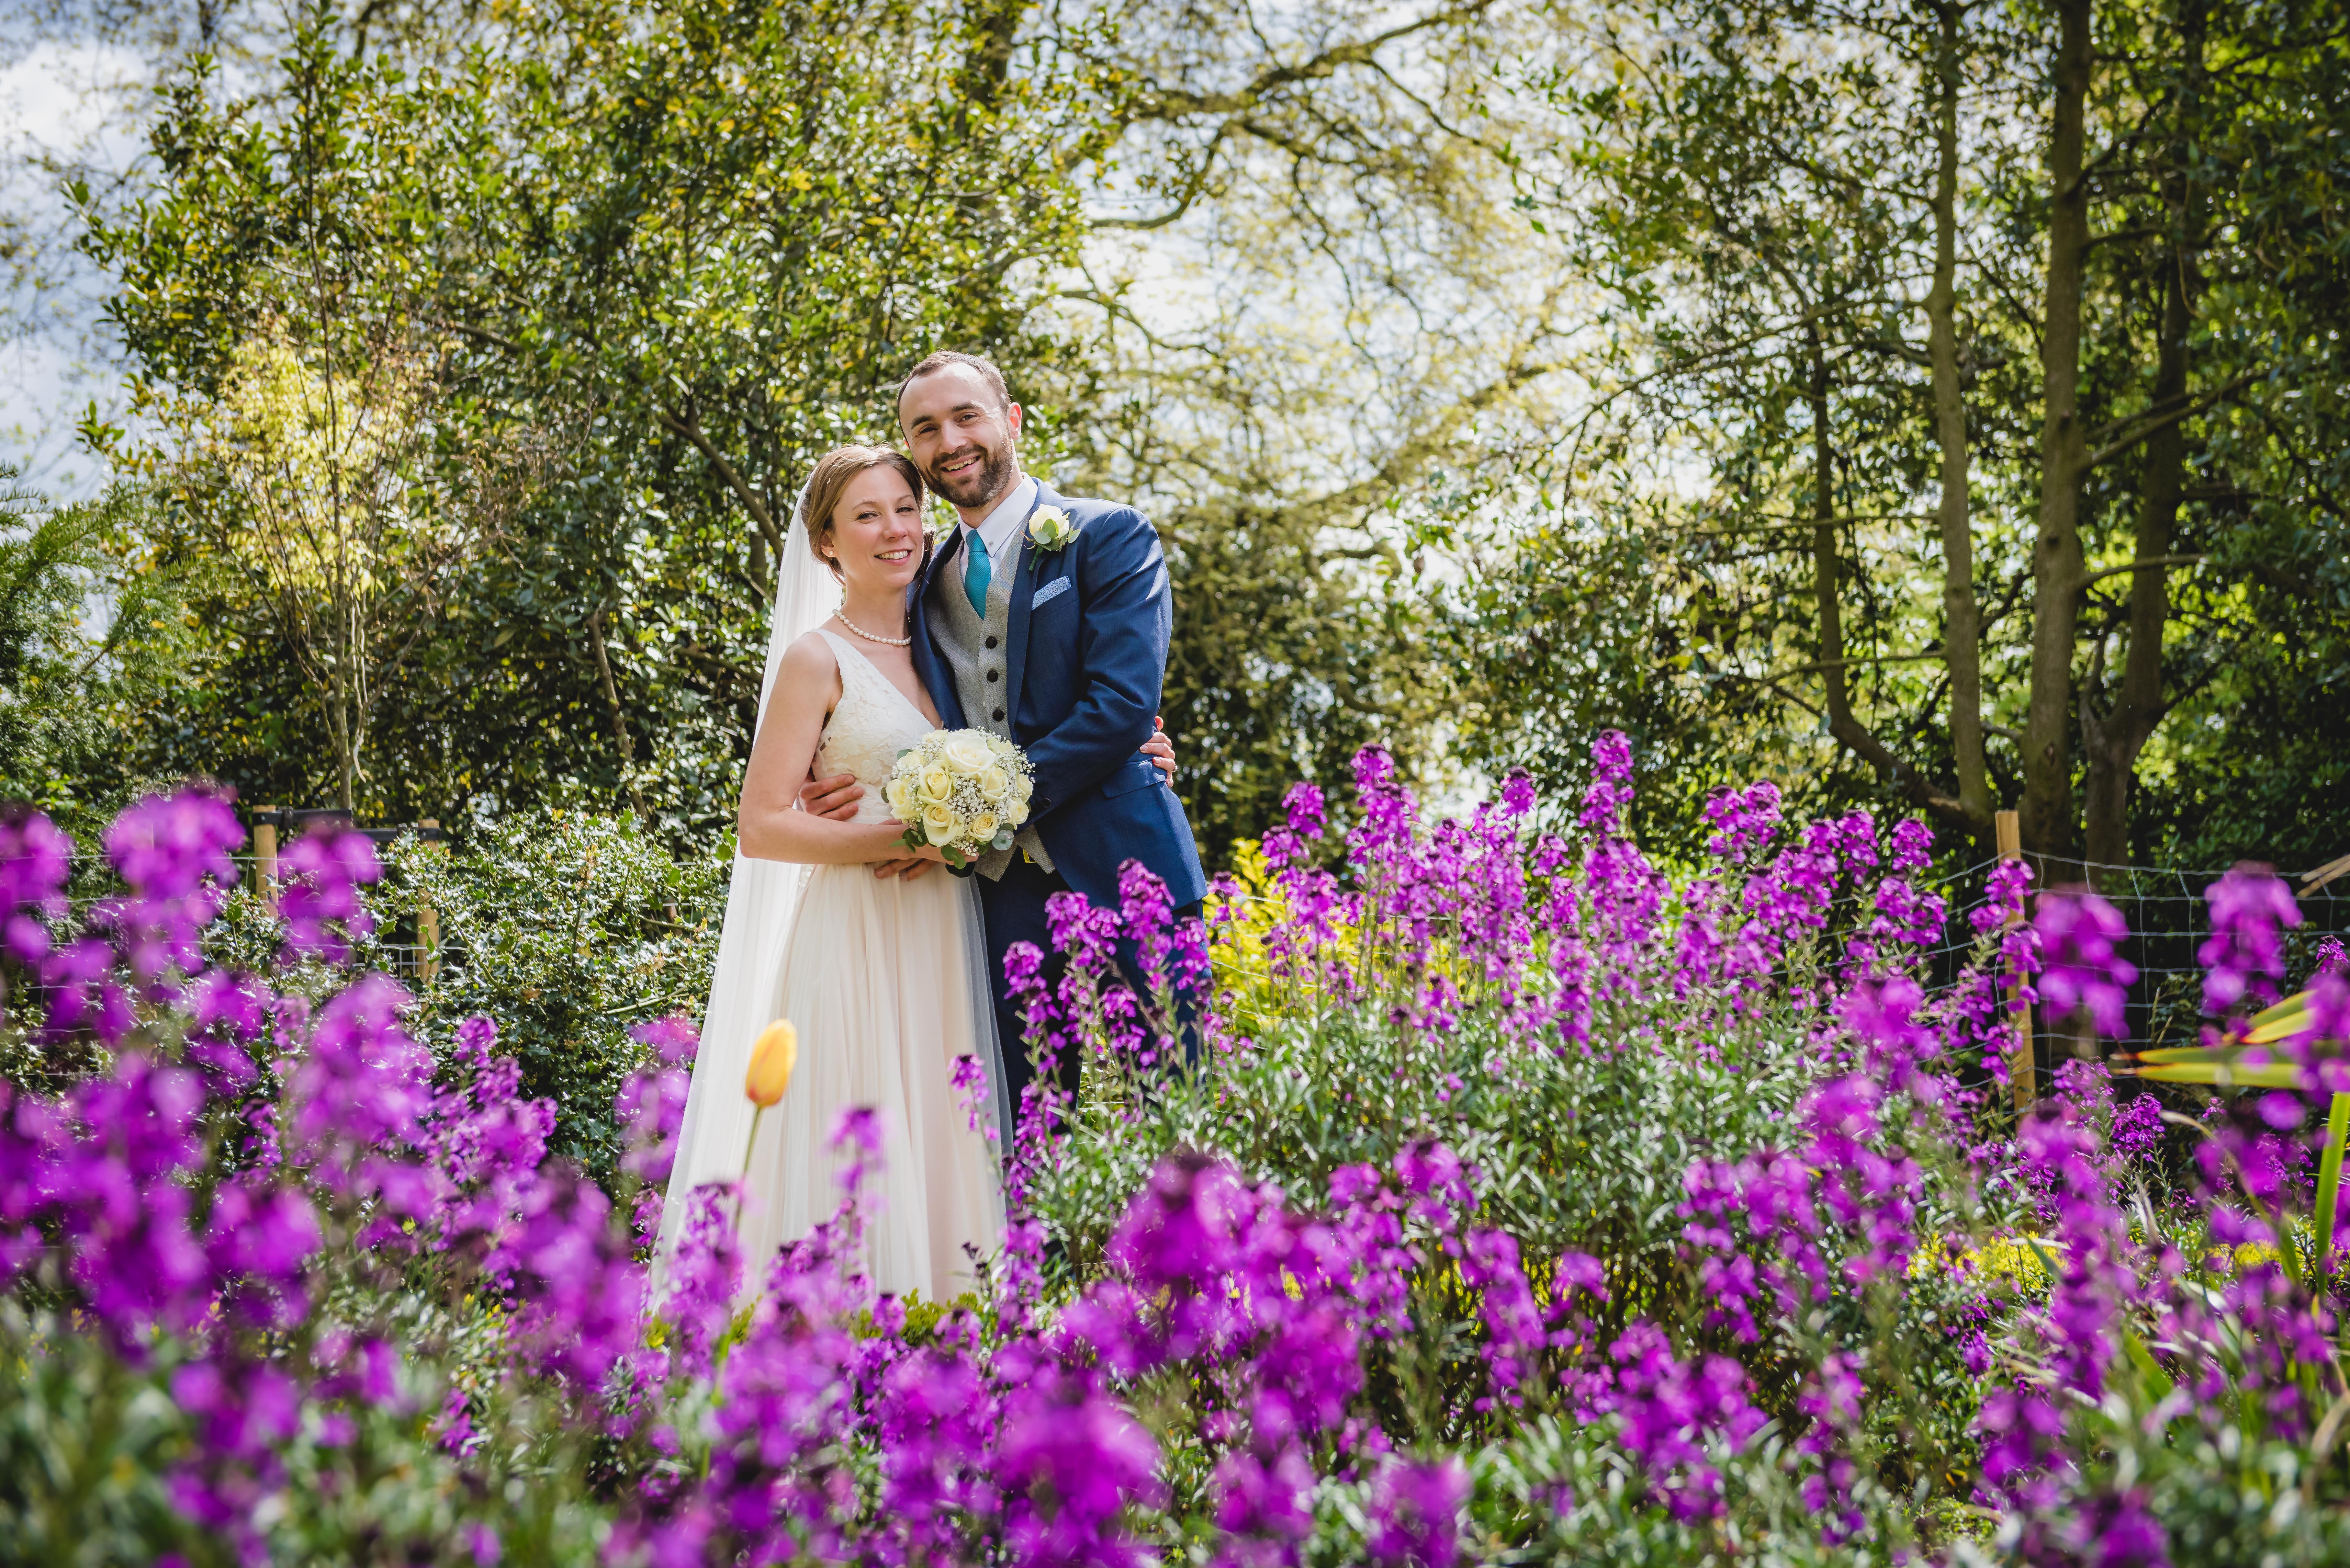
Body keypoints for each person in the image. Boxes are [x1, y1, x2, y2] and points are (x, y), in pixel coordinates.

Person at [661, 444, 1176, 1300]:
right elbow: (761, 826)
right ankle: (831, 1332)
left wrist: (1137, 743)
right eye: (865, 516)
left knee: (950, 1123)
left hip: (955, 922)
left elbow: (1048, 722)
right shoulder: (814, 660)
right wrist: (906, 837)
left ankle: (957, 1326)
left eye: (905, 508)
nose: (894, 530)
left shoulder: (948, 632)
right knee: (861, 1118)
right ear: (826, 542)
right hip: (860, 929)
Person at [800, 351, 1207, 1122]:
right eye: (926, 430)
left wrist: (974, 815)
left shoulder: (1107, 535)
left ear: (1011, 420)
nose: (949, 440)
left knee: (1177, 1119)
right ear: (916, 454)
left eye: (966, 417)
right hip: (998, 901)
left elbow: (1121, 704)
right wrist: (834, 794)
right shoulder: (920, 582)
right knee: (1029, 1139)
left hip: (1131, 872)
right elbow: (892, 701)